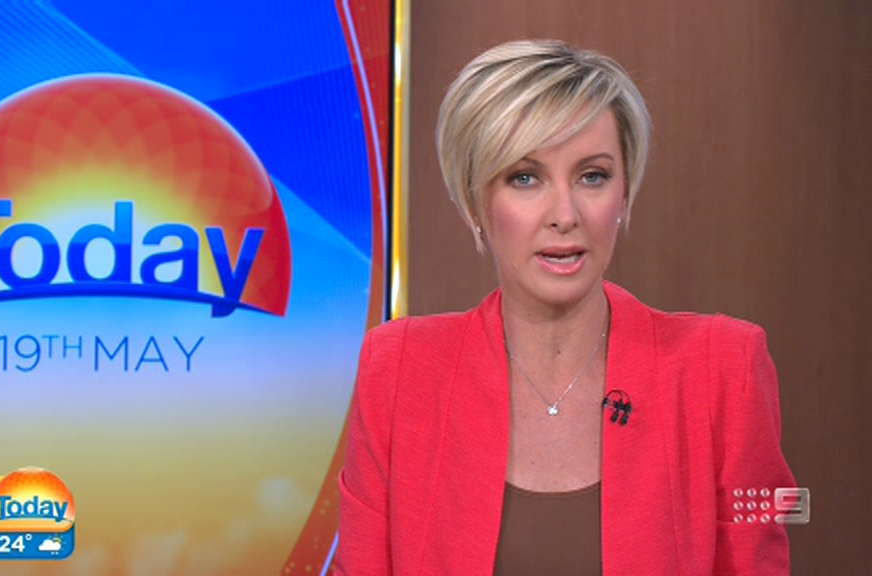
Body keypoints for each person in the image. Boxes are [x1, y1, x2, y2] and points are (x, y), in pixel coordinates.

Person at [333, 39, 795, 575]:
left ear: (624, 195)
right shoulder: (399, 370)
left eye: (592, 176)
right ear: (475, 202)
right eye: (525, 177)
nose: (565, 214)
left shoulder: (723, 370)